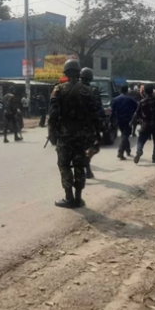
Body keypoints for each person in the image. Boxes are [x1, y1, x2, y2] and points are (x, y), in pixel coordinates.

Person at [49, 60, 102, 209]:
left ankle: (69, 198)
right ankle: (78, 199)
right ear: (79, 73)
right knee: (79, 165)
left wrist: (52, 133)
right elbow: (95, 116)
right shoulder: (89, 91)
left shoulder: (58, 90)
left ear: (65, 73)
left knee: (64, 165)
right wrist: (96, 136)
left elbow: (53, 114)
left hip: (64, 136)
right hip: (83, 136)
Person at [79, 67, 105, 179]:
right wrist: (100, 125)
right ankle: (87, 169)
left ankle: (84, 169)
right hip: (89, 125)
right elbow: (99, 110)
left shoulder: (73, 89)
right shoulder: (94, 90)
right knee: (94, 146)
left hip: (74, 125)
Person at [132, 84, 155, 164]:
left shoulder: (142, 102)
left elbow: (137, 113)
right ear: (152, 91)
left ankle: (139, 151)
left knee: (140, 141)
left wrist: (140, 119)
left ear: (145, 92)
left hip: (145, 124)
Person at [111, 85, 138, 160]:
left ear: (120, 91)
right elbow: (137, 108)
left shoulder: (115, 99)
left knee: (124, 135)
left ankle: (128, 150)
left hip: (119, 120)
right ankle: (120, 152)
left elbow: (112, 111)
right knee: (125, 135)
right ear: (127, 91)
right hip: (128, 119)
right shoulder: (131, 99)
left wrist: (111, 120)